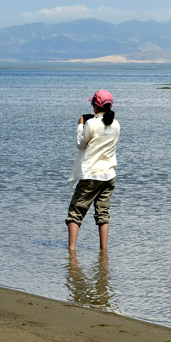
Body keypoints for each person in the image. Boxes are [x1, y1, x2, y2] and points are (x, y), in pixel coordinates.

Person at [66, 90, 120, 252]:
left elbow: (80, 144)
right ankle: (104, 252)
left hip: (91, 174)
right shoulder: (116, 124)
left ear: (96, 105)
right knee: (103, 214)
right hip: (109, 175)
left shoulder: (91, 124)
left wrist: (81, 124)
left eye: (92, 103)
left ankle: (72, 252)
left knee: (75, 212)